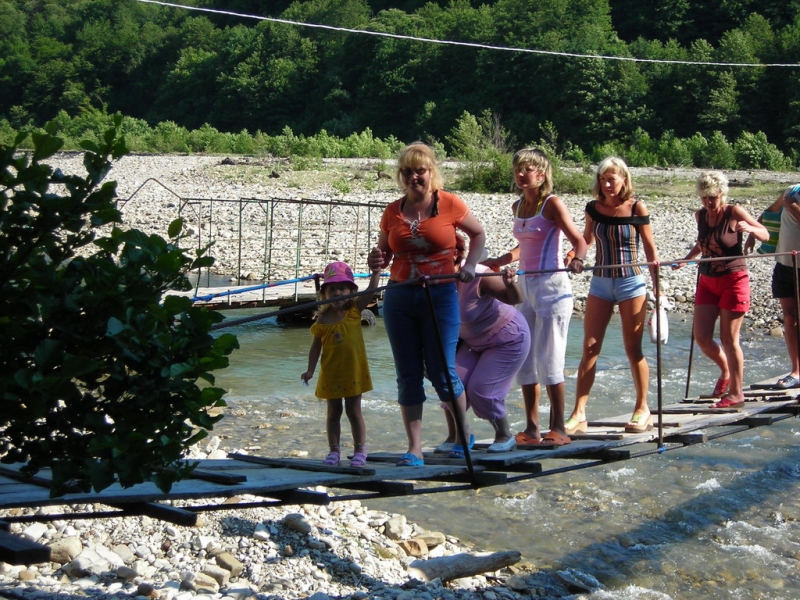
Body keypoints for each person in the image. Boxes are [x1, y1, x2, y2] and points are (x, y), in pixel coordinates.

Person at [368, 142, 486, 466]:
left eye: (419, 170)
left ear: (431, 172)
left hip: (440, 295)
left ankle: (463, 437)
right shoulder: (392, 211)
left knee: (442, 371)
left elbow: (478, 235)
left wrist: (471, 266)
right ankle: (415, 448)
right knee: (407, 375)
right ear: (400, 175)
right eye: (407, 171)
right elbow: (383, 254)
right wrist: (376, 262)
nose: (413, 177)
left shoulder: (449, 204)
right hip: (400, 296)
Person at [483, 148, 586, 447]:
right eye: (517, 169)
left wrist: (578, 258)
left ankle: (560, 429)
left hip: (553, 287)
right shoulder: (518, 205)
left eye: (527, 169)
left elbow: (578, 240)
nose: (520, 174)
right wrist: (503, 259)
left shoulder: (552, 204)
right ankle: (532, 428)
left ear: (541, 174)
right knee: (525, 357)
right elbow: (526, 244)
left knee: (550, 358)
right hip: (525, 287)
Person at [565, 157, 659, 434]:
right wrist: (574, 256)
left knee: (633, 349)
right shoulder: (593, 208)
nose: (607, 184)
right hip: (601, 283)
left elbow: (651, 250)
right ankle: (579, 412)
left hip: (631, 283)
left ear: (623, 180)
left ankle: (643, 408)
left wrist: (659, 289)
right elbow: (586, 239)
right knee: (590, 349)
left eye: (612, 179)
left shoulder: (636, 207)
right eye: (603, 179)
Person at [674, 171, 768, 408]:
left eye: (713, 197)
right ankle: (725, 370)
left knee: (729, 338)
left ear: (722, 194)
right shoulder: (701, 215)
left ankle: (736, 393)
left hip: (733, 279)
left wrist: (751, 230)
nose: (708, 202)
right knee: (702, 337)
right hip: (707, 280)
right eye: (704, 197)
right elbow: (702, 242)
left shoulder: (734, 212)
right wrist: (687, 259)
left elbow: (765, 234)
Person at [438, 236, 531, 453]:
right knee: (450, 383)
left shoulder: (478, 274)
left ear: (456, 254)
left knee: (482, 390)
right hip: (473, 340)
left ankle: (504, 435)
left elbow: (515, 299)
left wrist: (511, 283)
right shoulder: (435, 279)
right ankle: (458, 436)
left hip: (507, 337)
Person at [301, 261, 382, 467]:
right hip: (331, 373)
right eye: (332, 289)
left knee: (354, 411)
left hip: (354, 372)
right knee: (333, 412)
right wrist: (310, 370)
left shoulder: (354, 311)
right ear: (325, 293)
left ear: (351, 291)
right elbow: (315, 348)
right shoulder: (321, 321)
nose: (338, 292)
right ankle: (334, 452)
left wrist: (376, 272)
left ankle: (359, 452)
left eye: (342, 288)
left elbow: (372, 291)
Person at [747, 185, 800, 389]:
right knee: (789, 316)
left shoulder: (792, 199)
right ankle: (796, 371)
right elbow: (770, 213)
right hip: (784, 264)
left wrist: (793, 208)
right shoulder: (791, 191)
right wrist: (753, 233)